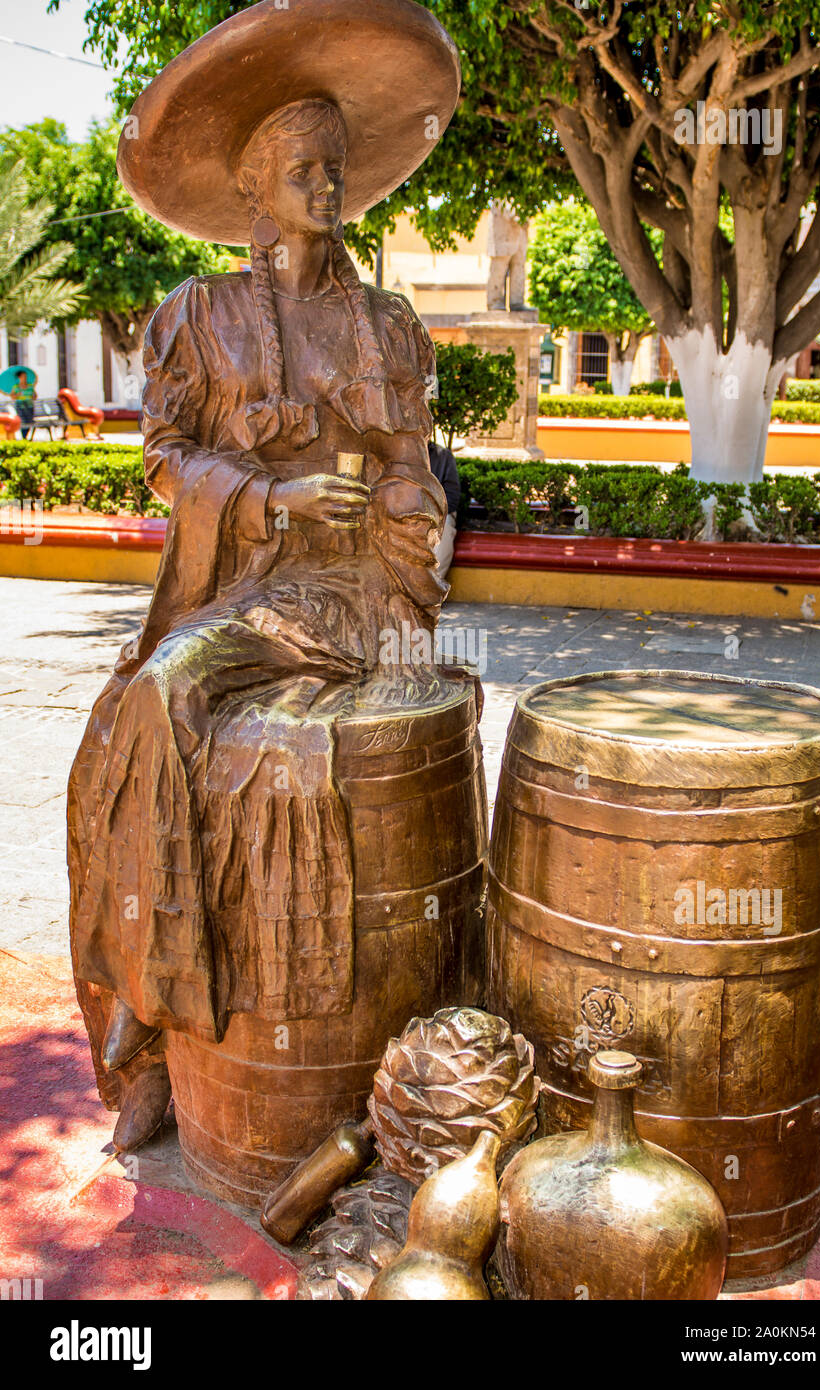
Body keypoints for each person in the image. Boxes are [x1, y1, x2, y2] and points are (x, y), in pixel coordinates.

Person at [68, 5, 463, 1153]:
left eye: (337, 166)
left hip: (358, 597)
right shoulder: (201, 315)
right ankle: (148, 1030)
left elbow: (410, 472)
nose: (329, 184)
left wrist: (403, 506)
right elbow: (161, 460)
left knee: (259, 725)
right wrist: (265, 497)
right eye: (304, 167)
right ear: (254, 185)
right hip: (245, 585)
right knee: (143, 702)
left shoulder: (385, 325)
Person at [428, 437, 460, 579]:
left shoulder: (444, 457)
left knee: (443, 528)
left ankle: (430, 590)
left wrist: (430, 512)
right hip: (408, 515)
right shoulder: (400, 455)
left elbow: (452, 499)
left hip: (439, 514)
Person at [10, 369, 36, 438]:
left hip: (29, 406)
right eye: (23, 376)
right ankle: (24, 436)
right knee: (23, 421)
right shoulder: (16, 387)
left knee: (29, 421)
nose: (25, 378)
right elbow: (12, 397)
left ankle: (26, 436)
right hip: (20, 407)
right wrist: (18, 394)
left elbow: (35, 396)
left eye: (25, 376)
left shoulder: (30, 386)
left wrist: (33, 396)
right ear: (19, 377)